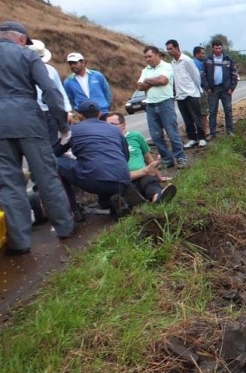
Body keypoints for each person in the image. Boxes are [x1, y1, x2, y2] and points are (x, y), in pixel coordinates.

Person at [0, 21, 75, 255]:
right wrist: (62, 125)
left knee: (9, 184)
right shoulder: (27, 55)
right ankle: (64, 228)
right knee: (46, 176)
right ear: (22, 38)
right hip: (29, 121)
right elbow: (50, 91)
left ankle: (20, 242)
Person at [56, 100, 142, 218]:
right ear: (100, 114)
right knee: (101, 172)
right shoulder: (114, 130)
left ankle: (73, 210)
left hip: (95, 179)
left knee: (54, 161)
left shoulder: (73, 131)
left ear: (80, 115)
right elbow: (125, 156)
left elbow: (55, 152)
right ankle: (116, 203)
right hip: (122, 178)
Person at [106, 112, 176, 203]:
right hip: (125, 178)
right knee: (125, 188)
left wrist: (159, 177)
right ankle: (134, 199)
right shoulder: (106, 143)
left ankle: (157, 197)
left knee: (149, 181)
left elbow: (148, 158)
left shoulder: (135, 136)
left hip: (143, 174)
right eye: (106, 125)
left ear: (123, 125)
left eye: (112, 124)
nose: (109, 127)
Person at [137, 46, 188, 169]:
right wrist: (153, 81)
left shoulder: (166, 67)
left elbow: (163, 81)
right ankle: (167, 159)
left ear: (157, 55)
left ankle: (181, 158)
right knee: (156, 136)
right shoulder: (145, 70)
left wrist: (147, 81)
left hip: (165, 103)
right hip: (150, 105)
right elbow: (139, 86)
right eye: (146, 57)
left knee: (172, 132)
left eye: (150, 56)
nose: (147, 59)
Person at [29, 39, 71, 145]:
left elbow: (59, 90)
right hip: (32, 111)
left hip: (50, 112)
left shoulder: (51, 70)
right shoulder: (22, 71)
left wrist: (67, 110)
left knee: (52, 143)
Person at [166, 39, 206, 148]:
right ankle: (192, 138)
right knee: (187, 119)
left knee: (196, 118)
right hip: (180, 96)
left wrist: (198, 90)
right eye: (167, 49)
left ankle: (202, 138)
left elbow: (196, 76)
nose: (169, 51)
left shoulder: (187, 60)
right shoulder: (172, 63)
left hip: (191, 94)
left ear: (177, 47)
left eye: (171, 48)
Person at [203, 40, 238, 138]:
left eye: (219, 48)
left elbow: (234, 74)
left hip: (225, 90)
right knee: (212, 112)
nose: (218, 50)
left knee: (228, 111)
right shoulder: (207, 59)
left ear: (222, 48)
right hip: (212, 90)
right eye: (216, 48)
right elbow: (203, 75)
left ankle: (230, 131)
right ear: (212, 48)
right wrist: (207, 88)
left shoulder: (228, 59)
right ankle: (212, 134)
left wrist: (232, 88)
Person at [62, 52, 113, 117]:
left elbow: (107, 91)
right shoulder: (68, 82)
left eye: (75, 63)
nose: (72, 66)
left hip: (102, 112)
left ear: (83, 62)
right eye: (70, 64)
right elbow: (70, 99)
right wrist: (77, 110)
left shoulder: (97, 75)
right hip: (84, 116)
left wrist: (107, 106)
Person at [192, 46, 210, 137]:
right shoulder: (195, 63)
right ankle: (205, 130)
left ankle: (200, 129)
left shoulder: (200, 63)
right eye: (202, 53)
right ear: (197, 54)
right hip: (199, 89)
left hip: (195, 90)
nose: (204, 55)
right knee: (203, 111)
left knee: (198, 111)